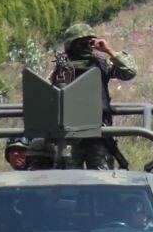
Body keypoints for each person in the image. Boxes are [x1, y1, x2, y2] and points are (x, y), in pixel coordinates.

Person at [50, 22, 138, 168]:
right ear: (72, 44)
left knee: (101, 181)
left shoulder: (100, 63)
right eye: (81, 42)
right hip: (70, 133)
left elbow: (129, 72)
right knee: (68, 180)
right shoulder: (62, 68)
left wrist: (110, 51)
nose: (86, 46)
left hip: (98, 131)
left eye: (89, 41)